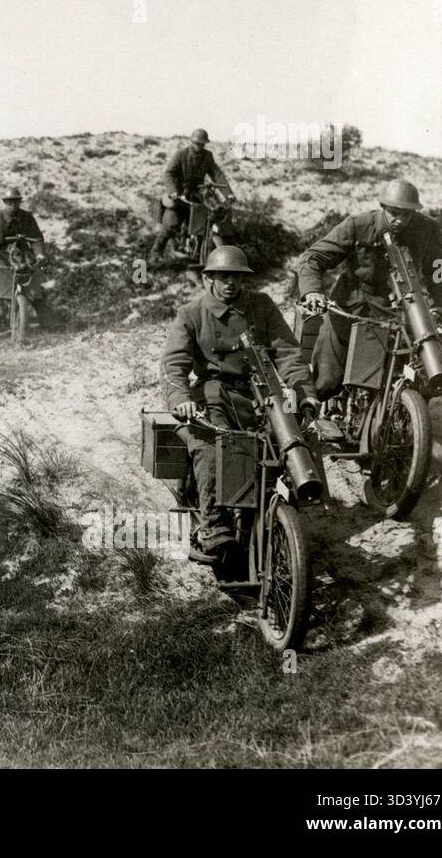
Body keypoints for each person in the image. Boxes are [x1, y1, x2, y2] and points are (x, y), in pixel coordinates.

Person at [160, 245, 318, 564]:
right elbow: (173, 364)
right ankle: (213, 527)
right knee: (211, 448)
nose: (230, 283)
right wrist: (182, 401)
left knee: (291, 440)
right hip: (212, 394)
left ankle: (292, 513)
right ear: (209, 279)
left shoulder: (261, 306)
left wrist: (304, 391)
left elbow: (287, 352)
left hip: (259, 393)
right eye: (223, 276)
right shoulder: (191, 314)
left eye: (236, 276)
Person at [297, 179, 442, 401]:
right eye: (394, 213)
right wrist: (312, 291)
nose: (400, 220)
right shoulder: (358, 225)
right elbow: (313, 258)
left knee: (418, 376)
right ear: (382, 207)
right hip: (351, 307)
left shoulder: (427, 230)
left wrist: (439, 306)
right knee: (327, 381)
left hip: (399, 309)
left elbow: (441, 271)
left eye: (407, 214)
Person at [148, 128, 233, 265]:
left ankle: (200, 251)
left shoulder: (207, 156)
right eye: (197, 143)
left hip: (197, 194)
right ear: (191, 142)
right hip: (180, 195)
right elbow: (169, 173)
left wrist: (228, 193)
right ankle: (156, 253)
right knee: (171, 223)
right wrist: (173, 191)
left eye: (202, 144)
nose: (199, 146)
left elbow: (217, 175)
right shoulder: (181, 155)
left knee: (208, 219)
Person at [0, 187, 46, 330]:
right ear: (5, 202)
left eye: (16, 202)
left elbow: (37, 239)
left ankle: (45, 317)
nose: (13, 205)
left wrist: (39, 253)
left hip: (22, 254)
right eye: (10, 202)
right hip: (1, 254)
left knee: (34, 279)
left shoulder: (27, 217)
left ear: (20, 202)